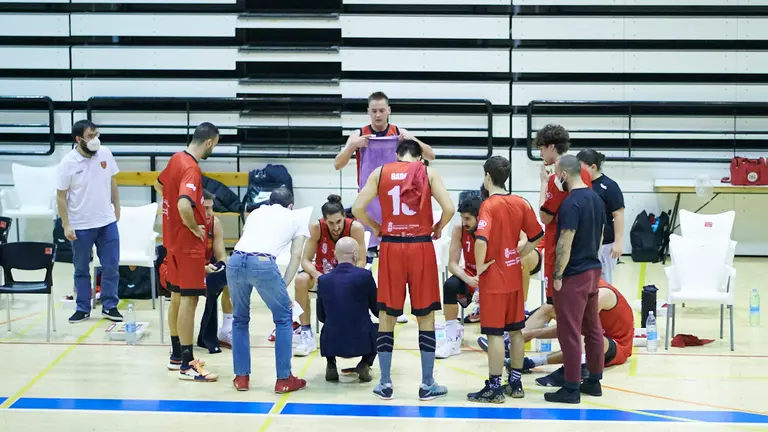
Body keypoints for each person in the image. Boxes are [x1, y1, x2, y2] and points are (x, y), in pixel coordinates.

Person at [352, 139, 455, 401]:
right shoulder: (428, 172)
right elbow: (449, 208)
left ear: (397, 155)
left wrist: (375, 227)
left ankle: (385, 383)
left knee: (387, 314)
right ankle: (427, 383)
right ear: (419, 158)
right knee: (425, 315)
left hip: (391, 248)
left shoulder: (381, 172)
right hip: (420, 247)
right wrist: (439, 227)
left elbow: (356, 209)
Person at [336, 92, 436, 319]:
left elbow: (431, 155)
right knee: (365, 260)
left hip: (396, 205)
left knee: (393, 260)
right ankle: (367, 304)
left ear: (389, 110)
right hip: (369, 205)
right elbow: (338, 164)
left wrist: (413, 139)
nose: (378, 115)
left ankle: (394, 305)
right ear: (368, 112)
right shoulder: (359, 135)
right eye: (374, 111)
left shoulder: (399, 134)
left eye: (382, 110)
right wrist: (352, 146)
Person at [467, 156, 543, 404]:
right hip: (514, 275)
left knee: (494, 334)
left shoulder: (488, 206)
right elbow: (537, 234)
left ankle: (495, 388)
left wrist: (479, 267)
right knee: (516, 330)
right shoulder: (521, 202)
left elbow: (481, 240)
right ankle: (516, 383)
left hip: (495, 279)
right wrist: (520, 253)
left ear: (487, 177)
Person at [226, 188, 311, 393]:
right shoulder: (296, 216)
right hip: (262, 262)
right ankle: (284, 379)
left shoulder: (256, 212)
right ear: (290, 205)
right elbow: (297, 254)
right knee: (283, 318)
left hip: (235, 260)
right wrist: (283, 284)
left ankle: (241, 377)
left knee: (240, 319)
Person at [437, 196, 542, 359]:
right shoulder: (459, 229)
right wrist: (468, 279)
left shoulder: (495, 225)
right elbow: (452, 264)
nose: (464, 222)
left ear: (480, 217)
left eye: (468, 218)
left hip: (494, 274)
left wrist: (515, 249)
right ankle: (452, 339)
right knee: (450, 286)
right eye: (462, 218)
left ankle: (504, 336)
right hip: (473, 274)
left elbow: (525, 238)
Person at [154, 122, 219, 381]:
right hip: (188, 246)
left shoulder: (175, 159)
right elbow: (183, 205)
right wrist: (194, 228)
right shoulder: (191, 168)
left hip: (171, 241)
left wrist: (172, 222)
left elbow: (160, 185)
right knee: (189, 302)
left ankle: (176, 355)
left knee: (177, 297)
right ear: (210, 142)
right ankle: (187, 364)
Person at [544, 155, 606, 404]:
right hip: (593, 270)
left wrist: (558, 275)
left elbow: (565, 242)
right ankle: (594, 381)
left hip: (574, 275)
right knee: (593, 330)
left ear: (563, 175)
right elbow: (600, 236)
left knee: (568, 331)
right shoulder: (596, 199)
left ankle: (570, 387)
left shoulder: (570, 203)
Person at [526, 125, 593, 333]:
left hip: (559, 246)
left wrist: (543, 185)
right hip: (584, 248)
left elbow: (544, 217)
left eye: (541, 148)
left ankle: (522, 341)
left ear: (551, 146)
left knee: (554, 305)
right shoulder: (582, 170)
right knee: (577, 306)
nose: (540, 153)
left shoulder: (557, 177)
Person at [57, 120, 123, 323]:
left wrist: (117, 208)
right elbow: (61, 196)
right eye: (90, 136)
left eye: (96, 134)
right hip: (81, 225)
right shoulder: (67, 163)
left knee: (111, 266)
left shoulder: (105, 153)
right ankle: (83, 307)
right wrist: (66, 224)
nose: (95, 139)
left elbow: (113, 181)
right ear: (79, 139)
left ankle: (110, 306)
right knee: (81, 268)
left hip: (106, 222)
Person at [291, 194, 367, 357]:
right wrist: (318, 275)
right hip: (323, 275)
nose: (336, 227)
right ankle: (306, 334)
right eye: (331, 223)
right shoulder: (316, 227)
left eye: (339, 222)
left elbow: (361, 260)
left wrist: (348, 277)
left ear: (344, 217)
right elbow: (305, 260)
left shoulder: (355, 228)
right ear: (324, 220)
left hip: (347, 276)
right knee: (301, 279)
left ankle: (356, 331)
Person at [524, 278, 634, 387]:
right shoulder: (580, 286)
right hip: (597, 337)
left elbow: (573, 328)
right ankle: (514, 347)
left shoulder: (601, 294)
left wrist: (533, 334)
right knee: (549, 308)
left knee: (583, 328)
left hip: (617, 346)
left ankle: (574, 369)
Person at [158, 191, 231, 353]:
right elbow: (180, 261)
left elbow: (221, 256)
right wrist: (202, 269)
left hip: (202, 267)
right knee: (179, 295)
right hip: (174, 268)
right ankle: (176, 342)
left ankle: (224, 329)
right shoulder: (181, 224)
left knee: (229, 276)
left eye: (211, 208)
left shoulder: (214, 223)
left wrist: (221, 268)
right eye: (205, 208)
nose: (209, 213)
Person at [317, 237, 379, 383]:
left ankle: (331, 364)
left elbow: (321, 316)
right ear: (355, 255)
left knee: (327, 326)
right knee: (383, 327)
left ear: (334, 255)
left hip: (332, 342)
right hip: (362, 342)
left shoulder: (323, 280)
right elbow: (376, 310)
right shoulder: (365, 276)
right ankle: (365, 363)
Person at [577, 149, 625, 283]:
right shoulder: (579, 185)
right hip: (585, 243)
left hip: (605, 244)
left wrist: (618, 242)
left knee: (603, 282)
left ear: (593, 167)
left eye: (581, 168)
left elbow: (618, 214)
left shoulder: (609, 186)